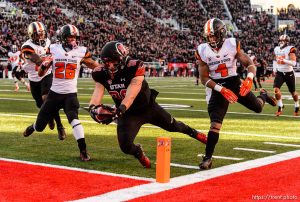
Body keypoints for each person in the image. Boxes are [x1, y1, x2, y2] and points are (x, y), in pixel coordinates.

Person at [89, 41, 207, 168]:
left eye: (113, 62)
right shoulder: (100, 73)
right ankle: (138, 152)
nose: (110, 66)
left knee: (174, 126)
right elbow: (97, 93)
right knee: (125, 146)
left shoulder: (134, 66)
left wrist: (121, 109)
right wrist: (92, 109)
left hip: (148, 108)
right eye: (107, 63)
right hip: (128, 114)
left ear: (122, 59)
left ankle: (194, 133)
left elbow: (131, 93)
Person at [195, 18, 277, 170]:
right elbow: (204, 78)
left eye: (214, 35)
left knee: (258, 107)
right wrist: (221, 89)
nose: (211, 39)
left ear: (221, 33)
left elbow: (249, 64)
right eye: (209, 37)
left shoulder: (231, 44)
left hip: (234, 81)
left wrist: (250, 79)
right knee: (215, 124)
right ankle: (208, 158)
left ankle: (263, 95)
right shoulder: (202, 50)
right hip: (217, 86)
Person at [23, 24, 101, 161]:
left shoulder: (81, 51)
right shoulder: (53, 49)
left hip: (70, 94)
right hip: (54, 93)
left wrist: (106, 71)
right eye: (70, 37)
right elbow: (41, 72)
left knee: (74, 119)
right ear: (63, 38)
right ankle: (33, 127)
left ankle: (83, 150)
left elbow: (93, 64)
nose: (73, 40)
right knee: (40, 126)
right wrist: (44, 65)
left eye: (75, 38)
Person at [21, 21, 66, 140]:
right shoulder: (27, 46)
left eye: (42, 34)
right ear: (31, 35)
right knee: (41, 105)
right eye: (37, 34)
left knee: (48, 99)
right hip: (34, 78)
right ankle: (50, 118)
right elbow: (37, 60)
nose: (41, 36)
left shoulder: (49, 42)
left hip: (47, 75)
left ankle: (60, 127)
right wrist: (47, 61)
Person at [273, 34, 298, 116]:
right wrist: (274, 69)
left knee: (293, 92)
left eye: (283, 41)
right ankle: (280, 106)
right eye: (280, 40)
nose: (281, 42)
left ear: (287, 42)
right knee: (276, 90)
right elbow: (275, 59)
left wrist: (284, 60)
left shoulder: (290, 49)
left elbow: (294, 63)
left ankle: (297, 105)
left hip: (289, 73)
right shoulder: (276, 49)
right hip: (280, 72)